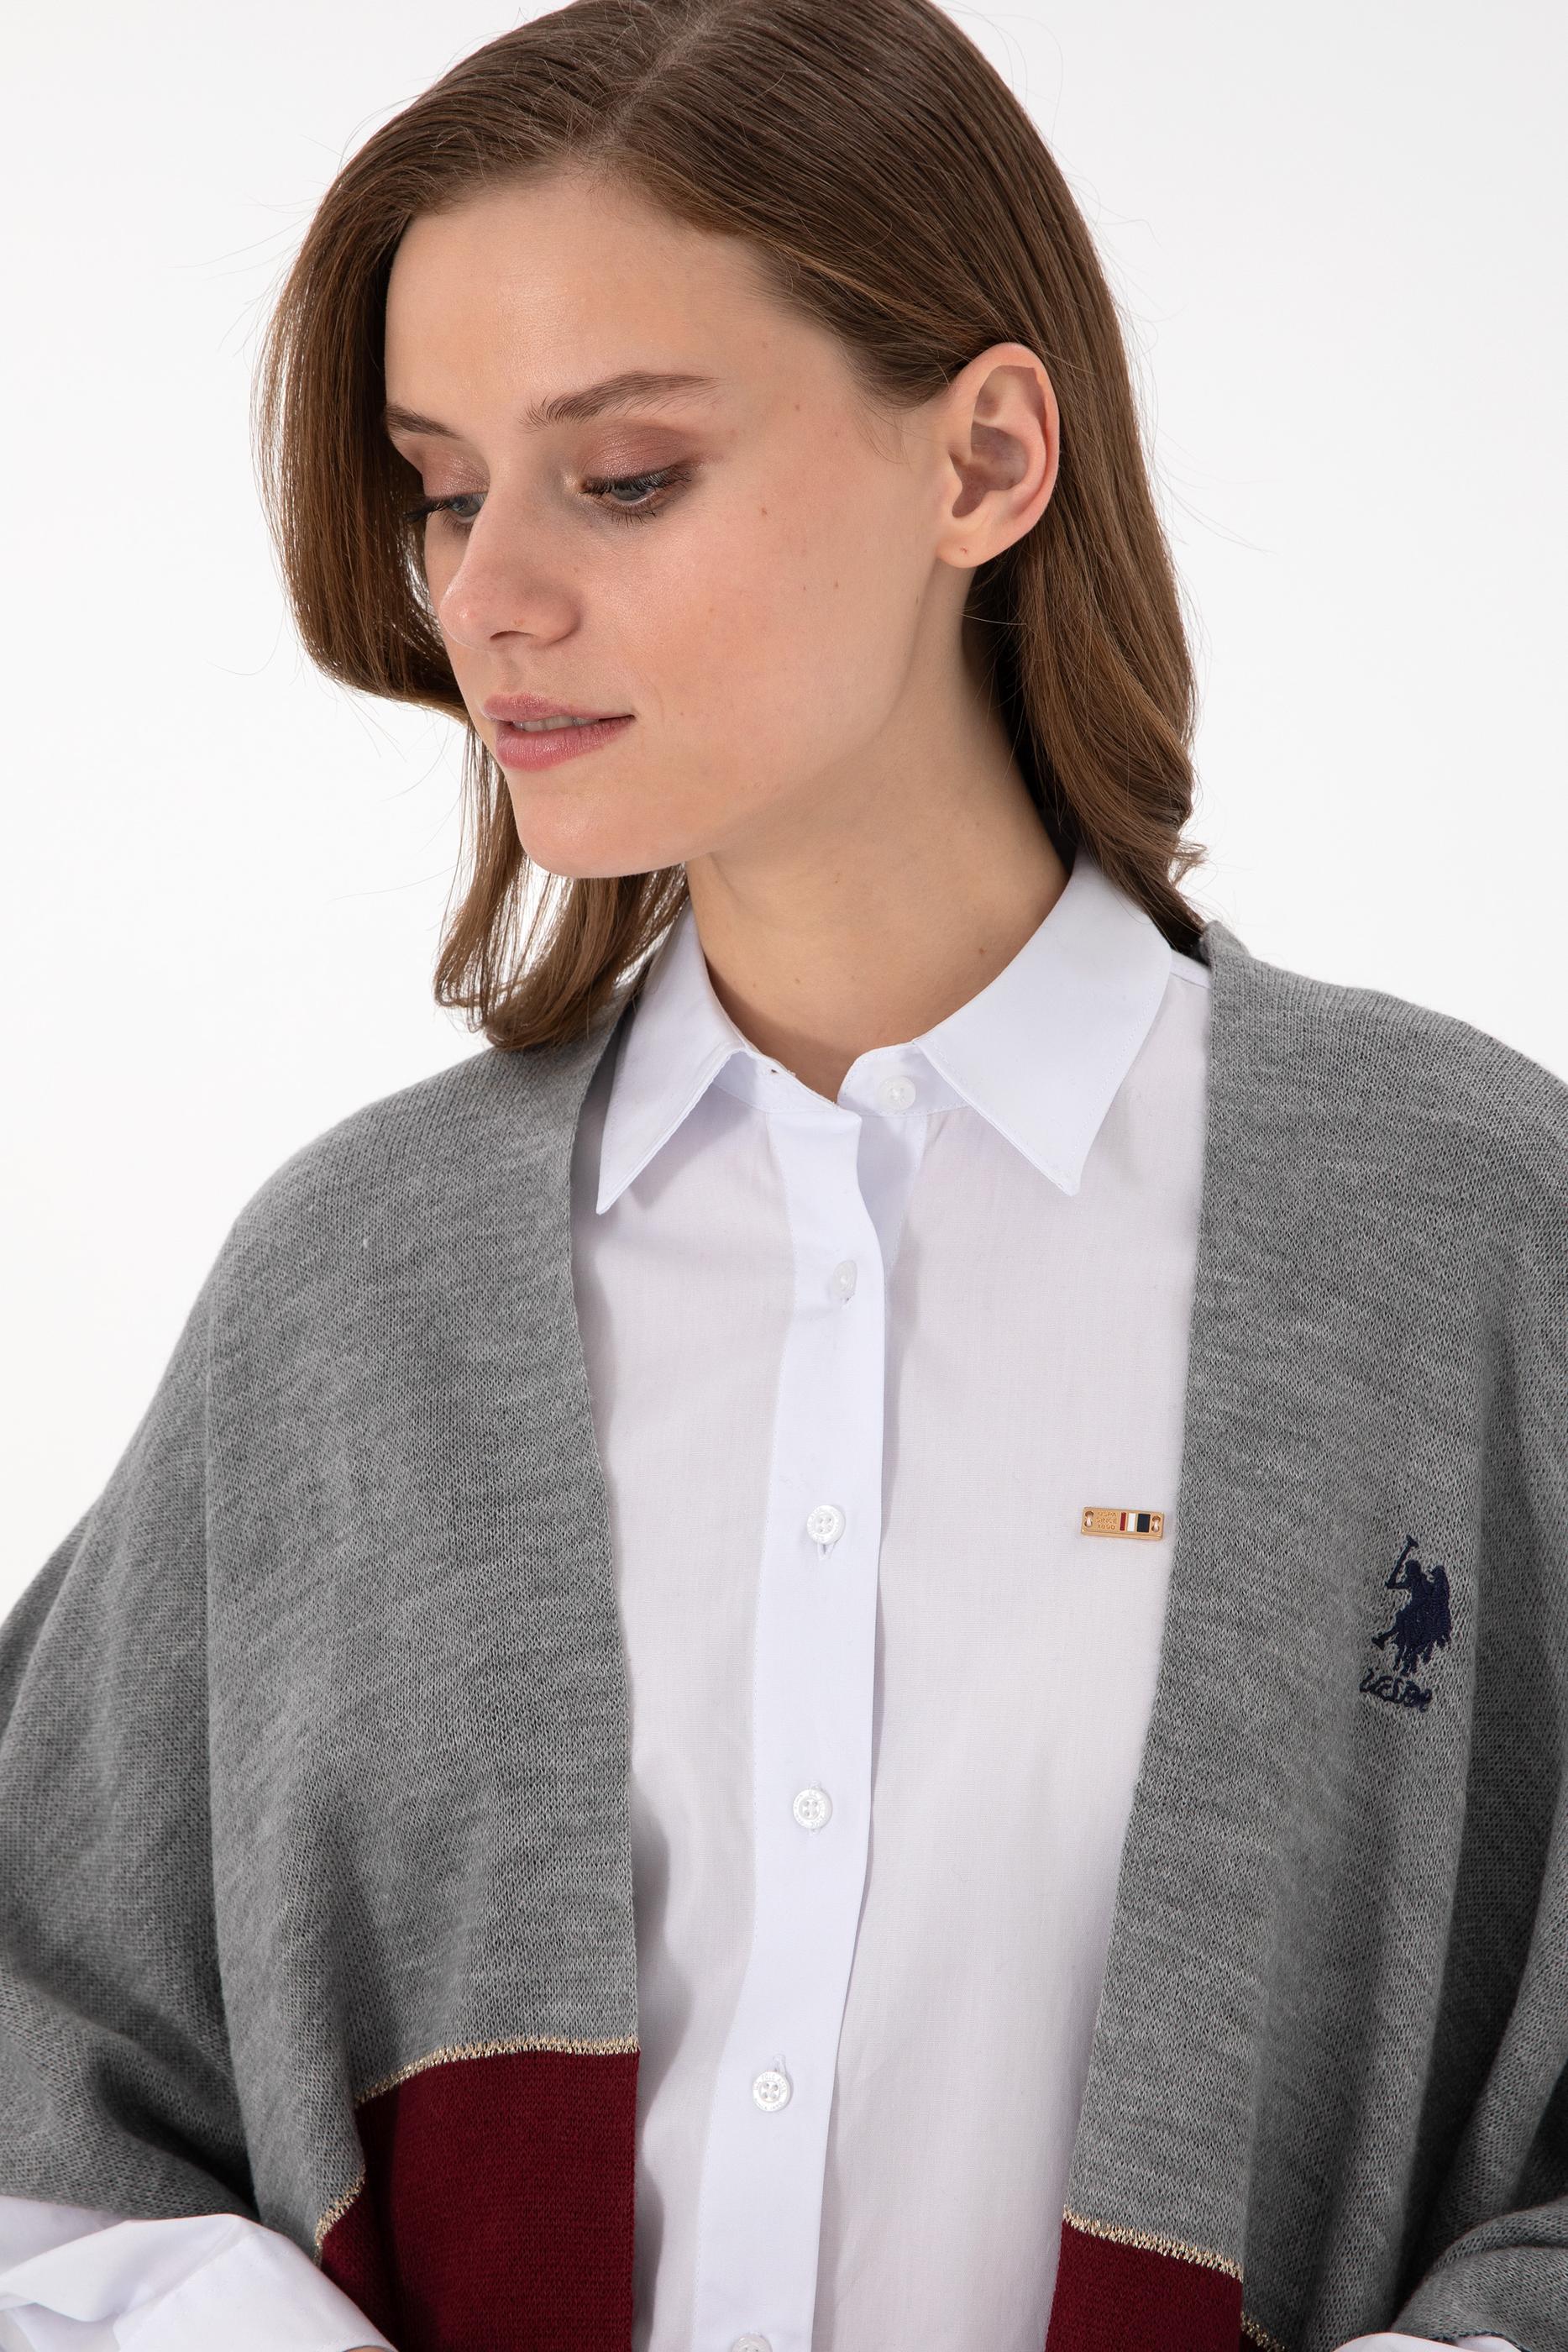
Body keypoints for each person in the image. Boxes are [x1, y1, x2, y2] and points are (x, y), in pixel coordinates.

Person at [3, 3, 1564, 2349]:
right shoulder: (355, 1291)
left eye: (624, 477)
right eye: (445, 488)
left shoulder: (1456, 1230)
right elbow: (46, 2060)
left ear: (986, 458)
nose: (488, 594)